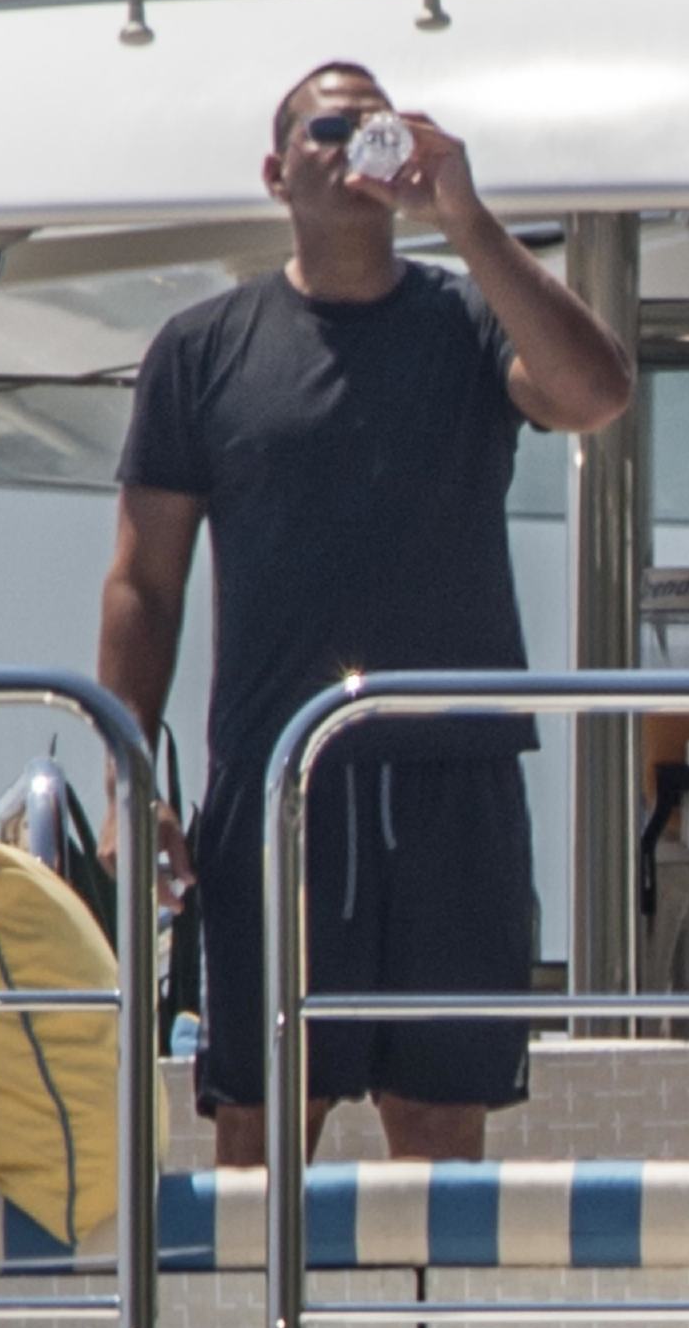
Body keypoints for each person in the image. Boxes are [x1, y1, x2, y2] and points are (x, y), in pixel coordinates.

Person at [96, 61, 631, 1166]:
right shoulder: (201, 349)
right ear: (276, 171)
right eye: (328, 129)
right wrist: (129, 780)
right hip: (279, 783)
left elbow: (596, 395)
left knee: (438, 1129)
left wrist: (464, 217)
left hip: (453, 783)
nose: (354, 147)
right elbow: (144, 584)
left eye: (374, 127)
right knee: (261, 1126)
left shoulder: (470, 320)